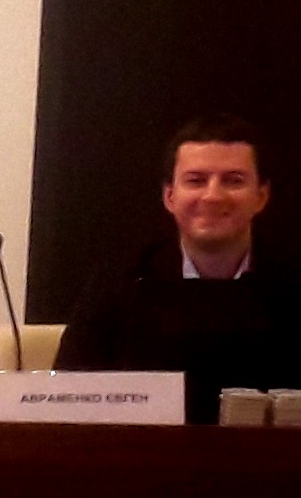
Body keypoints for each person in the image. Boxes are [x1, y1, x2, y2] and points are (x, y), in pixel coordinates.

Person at [59, 117, 273, 371]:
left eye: (233, 181)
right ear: (169, 196)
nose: (213, 196)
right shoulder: (119, 285)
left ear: (261, 196)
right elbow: (68, 386)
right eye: (196, 181)